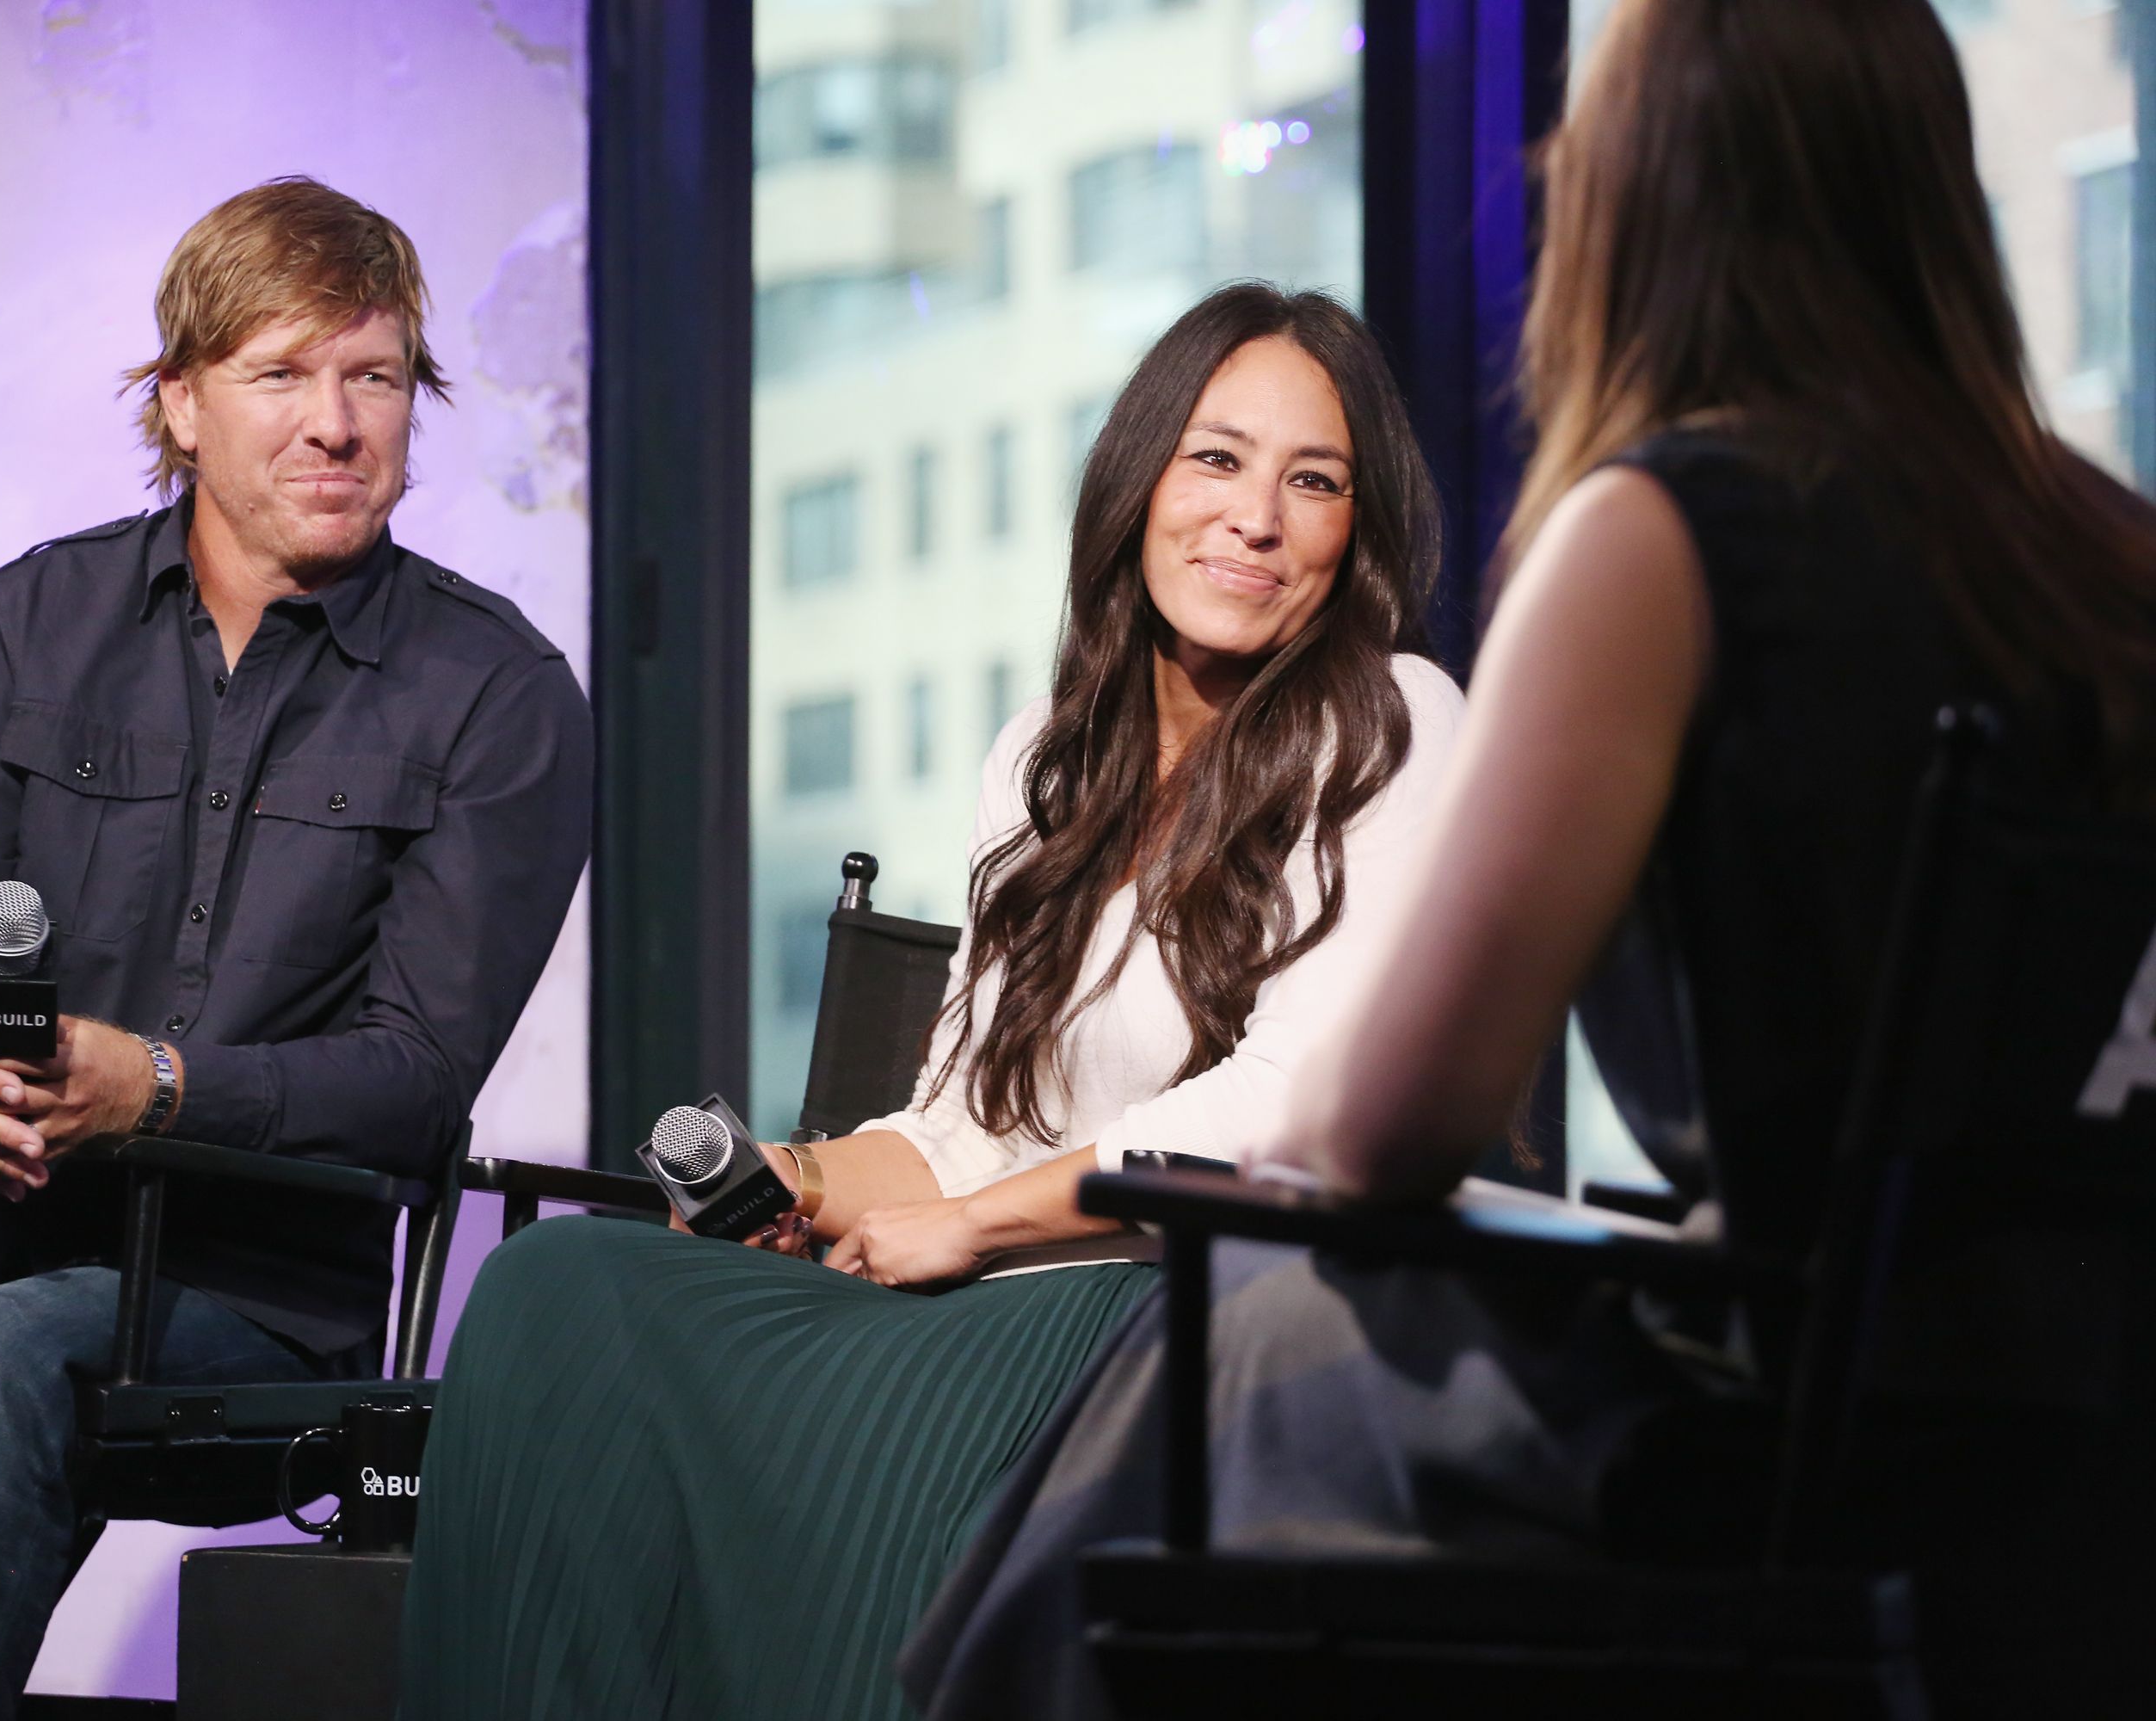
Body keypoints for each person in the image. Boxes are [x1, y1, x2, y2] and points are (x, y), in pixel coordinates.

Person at [900, 1, 2156, 1715]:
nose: (1557, 171)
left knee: (1254, 1341)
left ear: (1653, 191)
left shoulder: (1654, 535)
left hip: (1791, 1437)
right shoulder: (2115, 555)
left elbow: (1393, 1127)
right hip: (2093, 1435)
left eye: (1591, 137)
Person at [397, 283, 1467, 1720]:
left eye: (1313, 481)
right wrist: (815, 1174)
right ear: (1139, 477)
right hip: (992, 1285)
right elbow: (972, 1113)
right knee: (559, 1288)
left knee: (885, 1425)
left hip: (1192, 1315)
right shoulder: (1047, 759)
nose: (1254, 517)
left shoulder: (1392, 724)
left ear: (1359, 533)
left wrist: (969, 1229)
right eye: (1215, 458)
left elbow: (1294, 1109)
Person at [0, 177, 592, 1721]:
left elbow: (414, 1082)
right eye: (281, 373)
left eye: (378, 376)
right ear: (184, 405)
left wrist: (151, 1087)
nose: (336, 422)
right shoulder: (28, 622)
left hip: (248, 1293)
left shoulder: (500, 695)